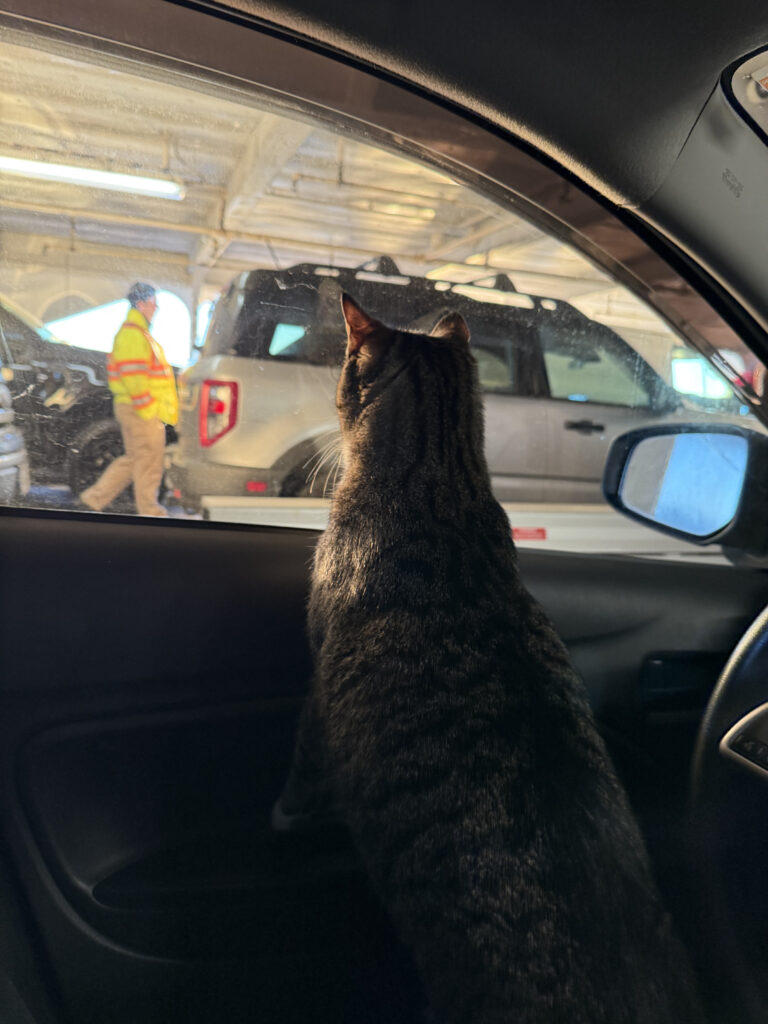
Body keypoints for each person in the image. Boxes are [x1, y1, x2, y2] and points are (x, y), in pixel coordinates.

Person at [80, 282, 178, 516]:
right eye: (154, 304)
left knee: (135, 460)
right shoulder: (134, 335)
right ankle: (150, 512)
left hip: (136, 407)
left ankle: (93, 500)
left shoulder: (136, 333)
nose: (156, 309)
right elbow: (134, 377)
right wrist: (148, 410)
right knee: (150, 463)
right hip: (141, 409)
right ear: (141, 304)